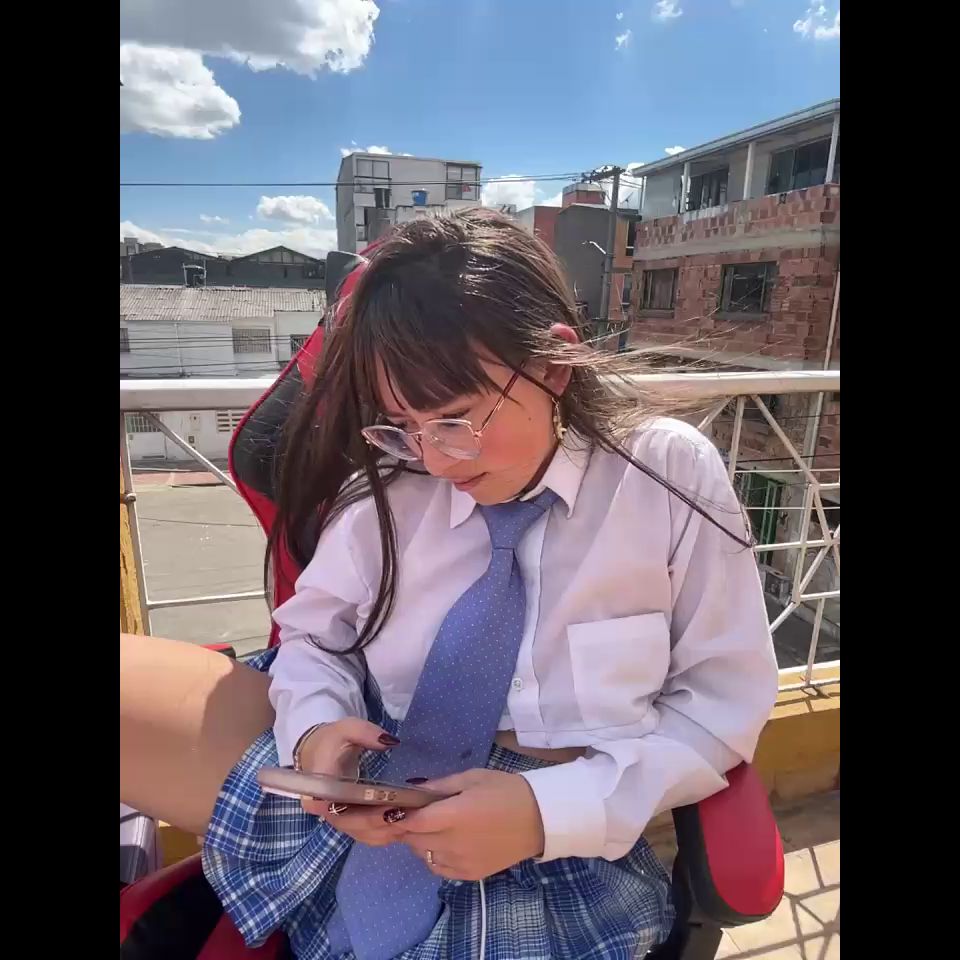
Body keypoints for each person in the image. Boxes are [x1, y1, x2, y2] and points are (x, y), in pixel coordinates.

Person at [120, 208, 778, 960]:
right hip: (378, 784)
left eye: (456, 420)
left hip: (553, 840)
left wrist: (546, 812)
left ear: (552, 367)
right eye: (401, 424)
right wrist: (316, 730)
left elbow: (722, 706)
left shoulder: (663, 476)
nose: (433, 459)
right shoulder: (392, 487)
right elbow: (314, 639)